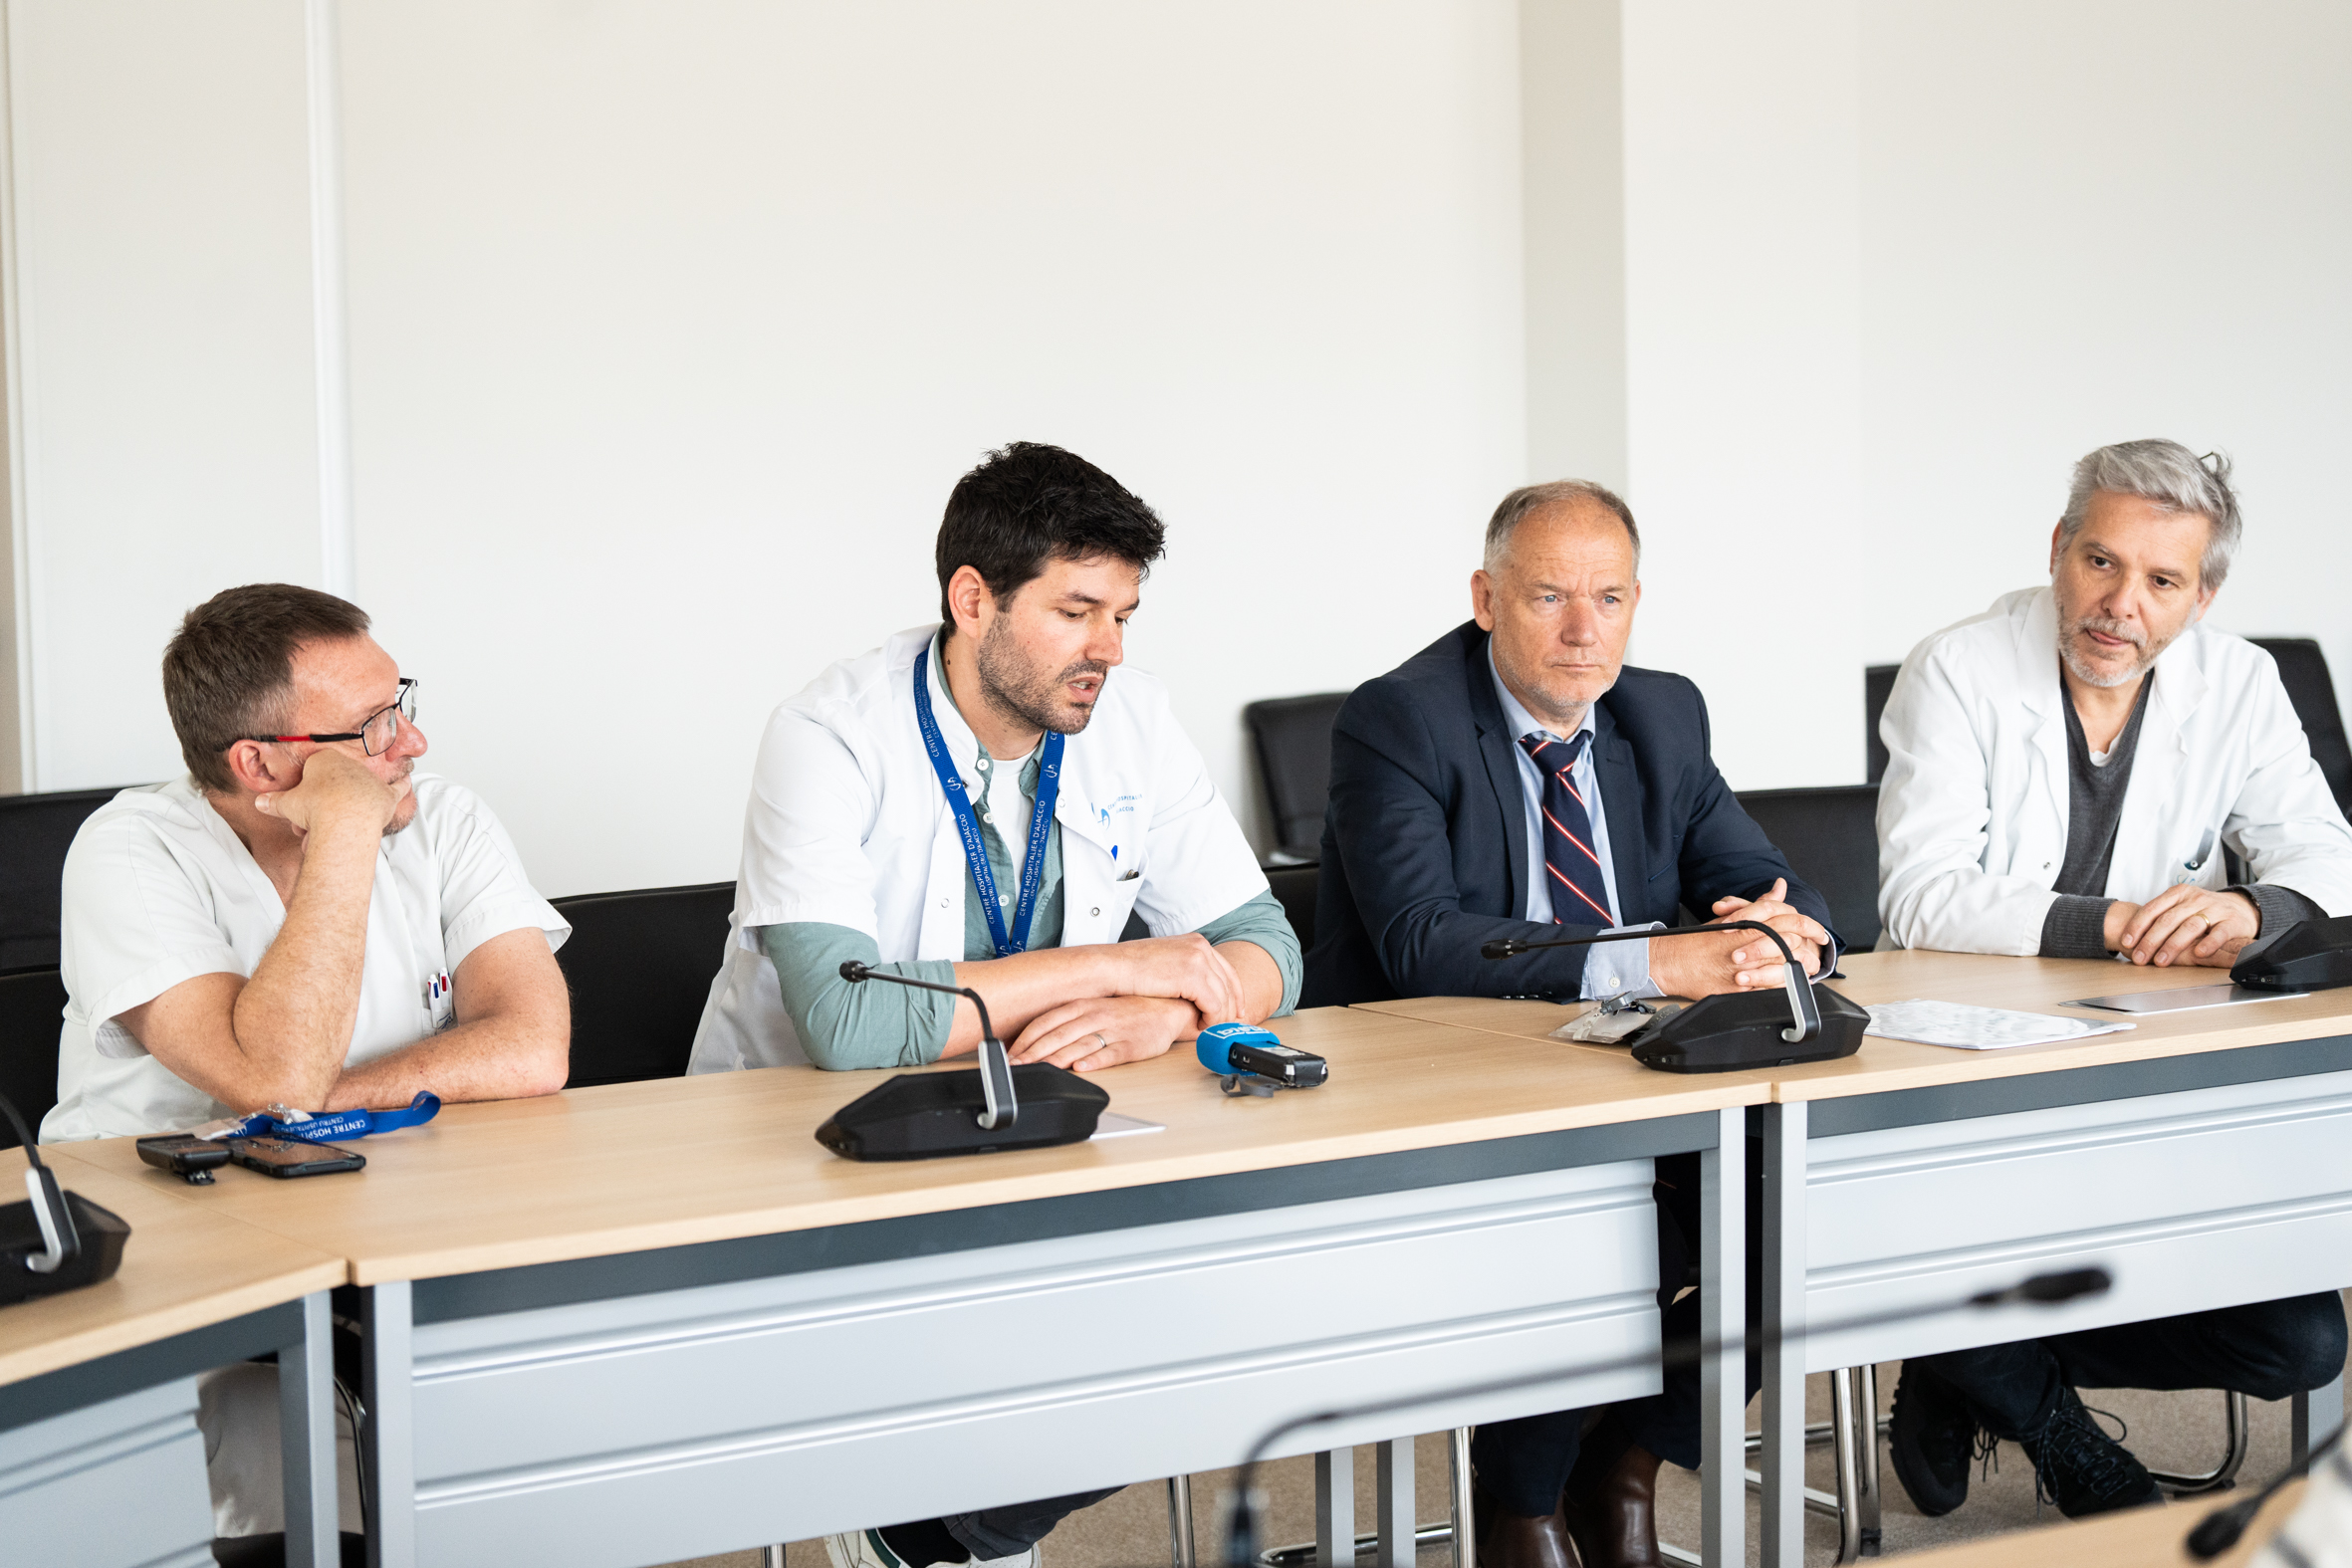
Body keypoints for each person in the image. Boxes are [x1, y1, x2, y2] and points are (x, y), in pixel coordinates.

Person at [690, 440, 1301, 1568]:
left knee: (1234, 1309)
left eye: (1123, 614)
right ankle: (945, 1509)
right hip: (809, 1153)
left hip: (1026, 1127)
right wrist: (1120, 968)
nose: (1107, 650)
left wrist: (1169, 1015)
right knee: (1059, 1338)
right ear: (973, 600)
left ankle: (929, 1527)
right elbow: (851, 1025)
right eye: (1076, 612)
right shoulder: (825, 736)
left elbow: (1266, 948)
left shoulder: (1132, 719)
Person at [1303, 480, 1838, 1568]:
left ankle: (1626, 1466)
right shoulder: (1398, 718)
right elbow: (1422, 941)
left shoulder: (1662, 711)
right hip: (1443, 1077)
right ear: (1485, 597)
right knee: (1587, 1219)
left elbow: (1758, 872)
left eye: (1608, 598)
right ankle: (1524, 1506)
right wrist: (1661, 956)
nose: (1583, 631)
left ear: (1637, 602)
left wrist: (1785, 929)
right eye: (1548, 596)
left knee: (1788, 1211)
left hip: (1626, 1068)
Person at [1875, 439, 2352, 1518]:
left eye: (2160, 580)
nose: (2117, 604)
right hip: (1965, 1077)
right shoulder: (1958, 668)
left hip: (2149, 1071)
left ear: (2203, 595)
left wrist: (2252, 908)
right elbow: (1921, 897)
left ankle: (1964, 1355)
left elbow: (2327, 855)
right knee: (1917, 1236)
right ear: (2056, 550)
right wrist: (2122, 921)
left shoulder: (2239, 682)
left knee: (2303, 1339)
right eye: (2098, 562)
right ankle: (2054, 1430)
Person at [43, 582, 574, 1542]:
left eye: (401, 703)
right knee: (279, 1460)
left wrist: (314, 1103)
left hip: (382, 1215)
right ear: (261, 764)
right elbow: (278, 1078)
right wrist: (345, 830)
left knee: (535, 1401)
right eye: (371, 728)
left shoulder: (445, 817)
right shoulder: (127, 853)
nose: (409, 743)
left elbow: (534, 1046)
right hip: (165, 1257)